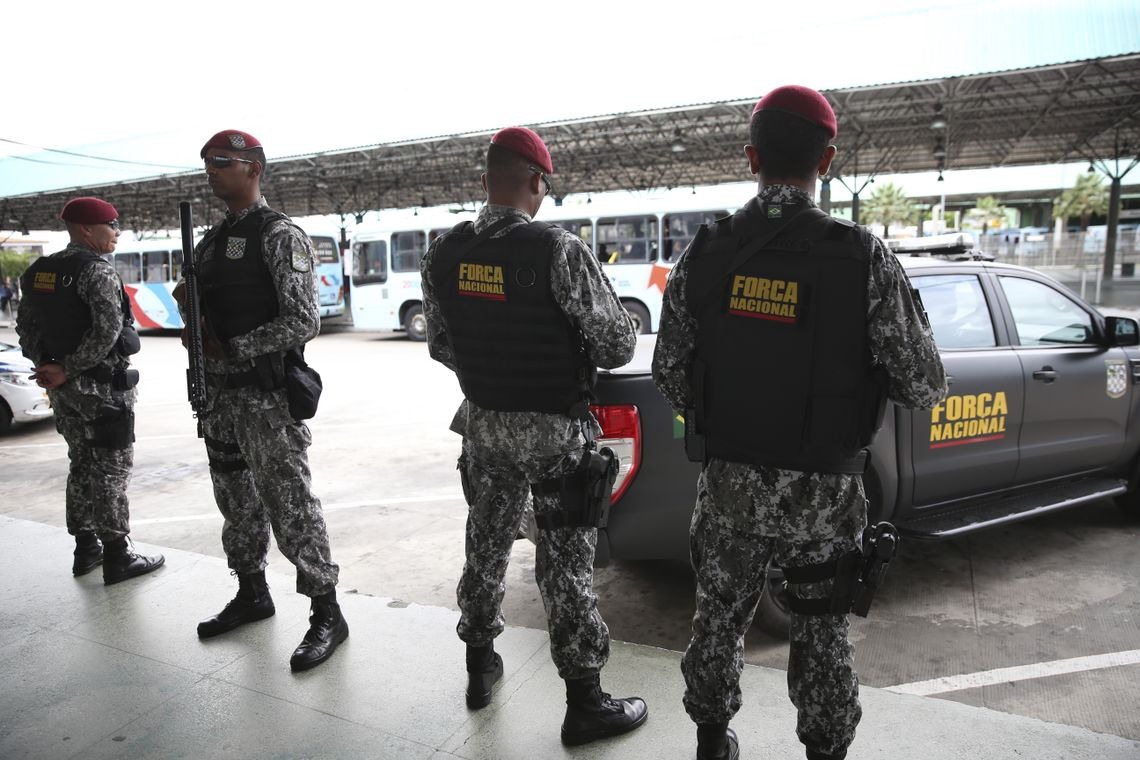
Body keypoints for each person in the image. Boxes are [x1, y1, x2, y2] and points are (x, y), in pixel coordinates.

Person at [652, 86, 947, 760]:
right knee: (820, 633)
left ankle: (709, 740)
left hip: (727, 486)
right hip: (824, 495)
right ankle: (824, 749)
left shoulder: (705, 253)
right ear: (829, 158)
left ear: (752, 156)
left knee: (718, 619)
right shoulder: (864, 259)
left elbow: (670, 372)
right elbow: (923, 385)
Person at [421, 126, 648, 746]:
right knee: (564, 566)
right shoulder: (558, 248)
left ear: (485, 179)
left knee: (486, 544)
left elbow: (442, 344)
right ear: (536, 182)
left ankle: (479, 666)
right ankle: (584, 702)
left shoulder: (443, 252)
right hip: (554, 431)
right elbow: (617, 343)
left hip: (486, 426)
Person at [180, 129, 347, 672]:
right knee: (236, 502)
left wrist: (233, 348)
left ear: (253, 168)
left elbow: (304, 319)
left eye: (221, 161)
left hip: (266, 398)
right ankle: (252, 592)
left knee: (290, 505)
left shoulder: (278, 235)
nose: (210, 170)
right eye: (206, 162)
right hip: (221, 400)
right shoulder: (209, 241)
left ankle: (327, 613)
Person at [16, 197, 164, 584]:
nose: (117, 232)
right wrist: (67, 369)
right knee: (111, 470)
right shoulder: (97, 272)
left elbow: (26, 329)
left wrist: (47, 368)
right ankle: (118, 556)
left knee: (80, 464)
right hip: (101, 390)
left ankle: (86, 550)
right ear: (86, 229)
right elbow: (108, 332)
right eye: (112, 224)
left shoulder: (38, 272)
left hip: (65, 394)